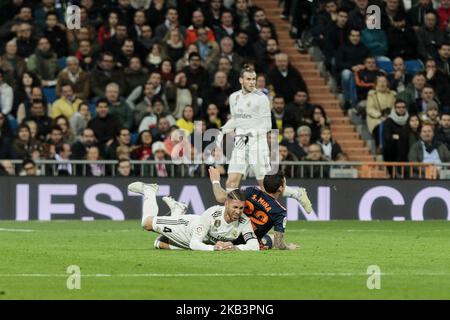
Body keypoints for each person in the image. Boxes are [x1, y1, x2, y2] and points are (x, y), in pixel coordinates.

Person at [127, 182, 259, 251]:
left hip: (196, 242)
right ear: (226, 204)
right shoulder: (212, 214)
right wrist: (214, 248)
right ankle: (149, 190)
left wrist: (234, 248)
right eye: (235, 207)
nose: (238, 211)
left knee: (159, 243)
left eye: (241, 208)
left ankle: (177, 210)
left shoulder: (244, 221)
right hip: (187, 227)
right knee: (146, 224)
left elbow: (254, 246)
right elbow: (195, 243)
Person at [208, 167, 300, 250]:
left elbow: (220, 197)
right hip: (247, 242)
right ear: (280, 188)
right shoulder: (280, 211)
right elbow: (278, 243)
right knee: (270, 238)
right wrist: (288, 247)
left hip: (226, 233)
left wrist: (215, 181)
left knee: (269, 237)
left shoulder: (251, 191)